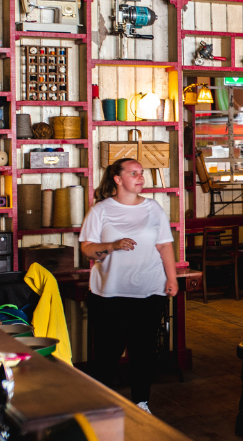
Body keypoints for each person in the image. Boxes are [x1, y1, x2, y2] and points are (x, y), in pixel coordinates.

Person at [79, 158, 177, 414]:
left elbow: (165, 244)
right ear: (118, 179)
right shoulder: (100, 210)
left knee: (143, 351)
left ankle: (141, 403)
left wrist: (172, 277)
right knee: (107, 353)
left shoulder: (153, 208)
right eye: (134, 173)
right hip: (109, 293)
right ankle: (101, 404)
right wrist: (111, 246)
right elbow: (87, 249)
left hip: (149, 289)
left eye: (142, 173)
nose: (140, 177)